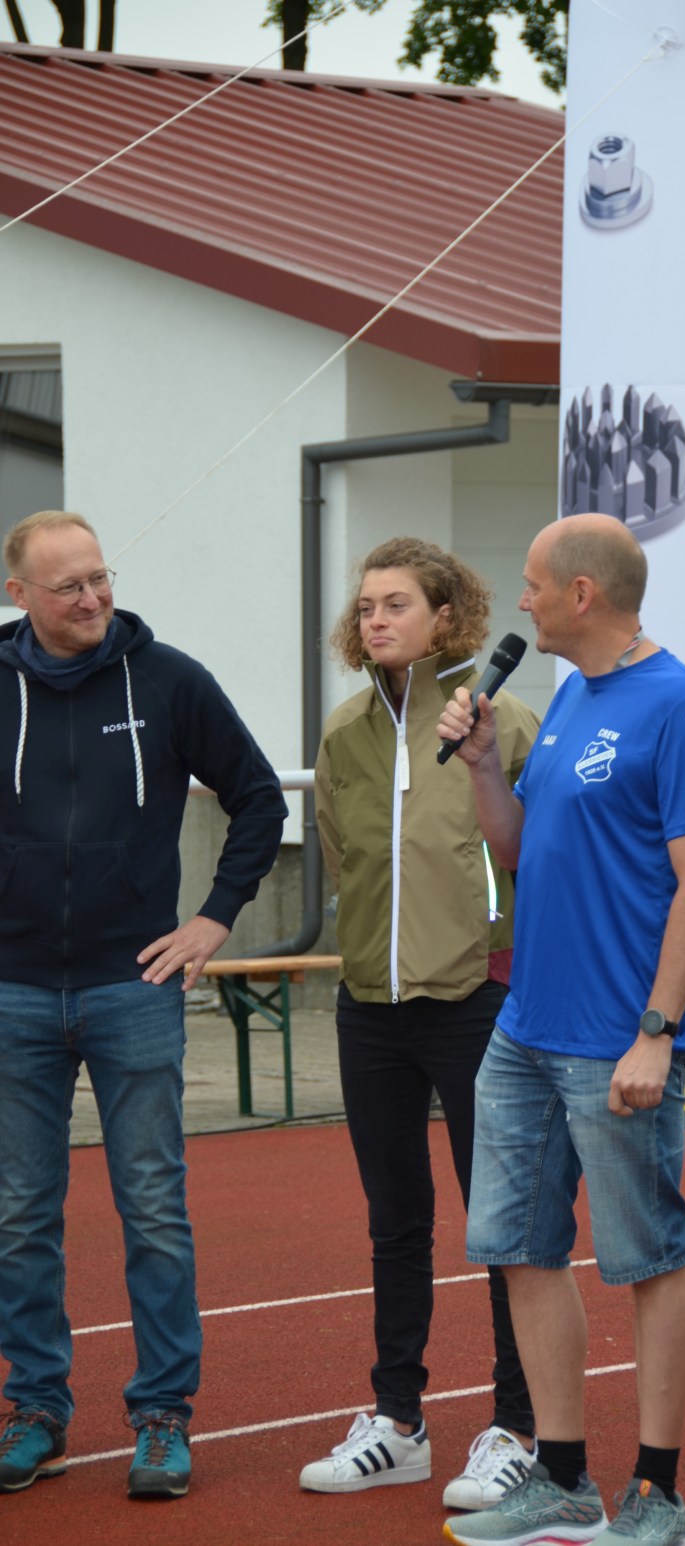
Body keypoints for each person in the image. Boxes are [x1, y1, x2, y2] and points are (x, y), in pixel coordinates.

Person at [435, 513, 685, 1546]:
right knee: (518, 1248)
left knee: (647, 1258)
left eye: (531, 584)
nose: (519, 601)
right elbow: (520, 848)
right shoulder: (566, 697)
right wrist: (482, 766)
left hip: (616, 1037)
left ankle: (658, 1493)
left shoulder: (678, 702)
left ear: (582, 595)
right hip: (524, 1028)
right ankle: (561, 1477)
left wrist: (657, 1031)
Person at [0, 510, 285, 1499]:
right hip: (13, 993)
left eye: (100, 577)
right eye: (68, 586)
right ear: (19, 596)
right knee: (19, 1214)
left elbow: (259, 798)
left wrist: (213, 918)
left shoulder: (168, 680)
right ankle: (36, 1410)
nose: (93, 598)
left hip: (136, 985)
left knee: (154, 1209)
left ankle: (162, 1416)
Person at [301, 537, 539, 1510]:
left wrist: (487, 946)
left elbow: (536, 854)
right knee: (394, 1222)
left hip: (476, 1000)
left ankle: (517, 1428)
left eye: (395, 604)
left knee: (504, 1223)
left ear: (446, 617)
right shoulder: (344, 733)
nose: (375, 620)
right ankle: (396, 1421)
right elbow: (344, 857)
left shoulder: (504, 720)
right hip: (370, 1007)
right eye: (365, 607)